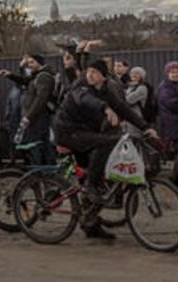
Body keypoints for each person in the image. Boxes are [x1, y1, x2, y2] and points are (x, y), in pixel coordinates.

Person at [51, 58, 151, 240]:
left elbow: (123, 108)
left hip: (84, 132)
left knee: (97, 175)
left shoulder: (106, 90)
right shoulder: (81, 86)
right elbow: (85, 100)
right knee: (105, 144)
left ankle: (90, 224)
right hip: (67, 131)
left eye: (95, 73)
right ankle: (89, 185)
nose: (90, 75)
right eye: (88, 71)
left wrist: (145, 127)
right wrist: (105, 108)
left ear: (103, 77)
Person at [14, 54, 57, 166]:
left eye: (32, 62)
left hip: (38, 118)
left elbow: (40, 99)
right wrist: (12, 73)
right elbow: (24, 80)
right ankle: (45, 170)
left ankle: (39, 170)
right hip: (36, 117)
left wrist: (29, 116)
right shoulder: (36, 76)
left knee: (36, 144)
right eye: (29, 63)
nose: (30, 65)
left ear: (39, 63)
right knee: (42, 144)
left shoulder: (43, 77)